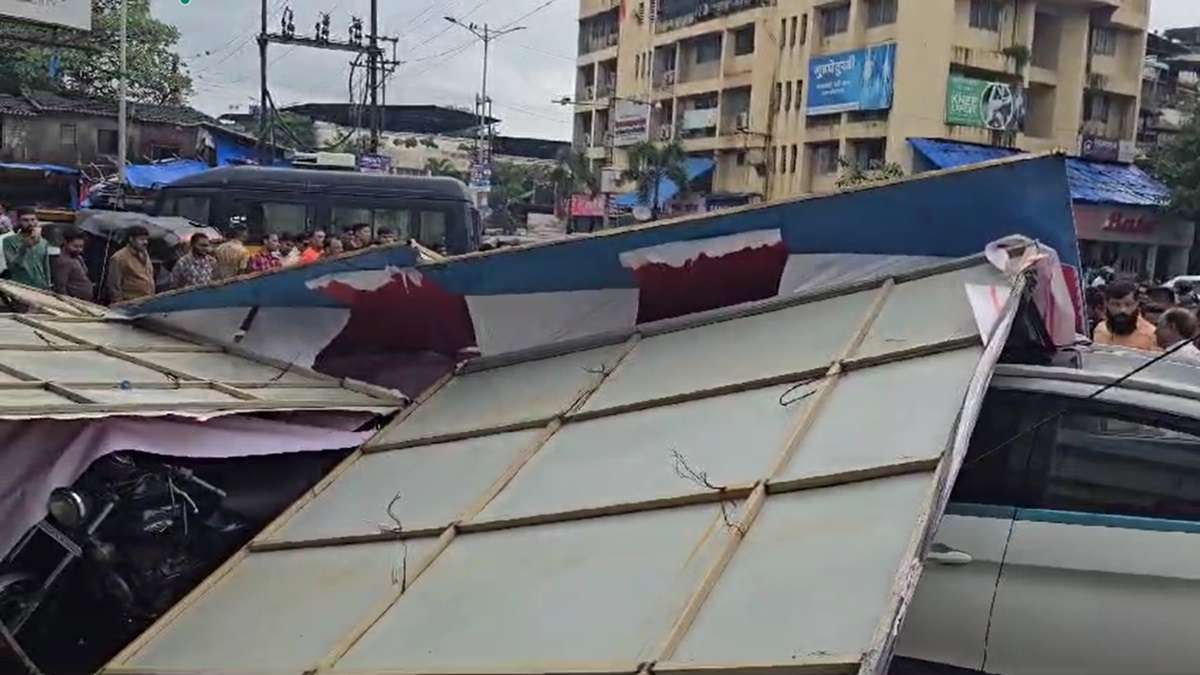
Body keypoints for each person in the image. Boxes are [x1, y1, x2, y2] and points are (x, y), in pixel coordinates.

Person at [1093, 279, 1160, 351]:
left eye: (1128, 304)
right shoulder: (1100, 330)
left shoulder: (1152, 335)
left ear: (1136, 304)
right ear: (1107, 303)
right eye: (1116, 304)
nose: (1122, 310)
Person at [3, 208, 51, 290]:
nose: (30, 223)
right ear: (18, 221)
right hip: (21, 287)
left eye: (33, 219)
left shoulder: (43, 242)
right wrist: (24, 247)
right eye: (25, 220)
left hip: (40, 287)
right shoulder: (9, 241)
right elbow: (12, 267)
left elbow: (46, 267)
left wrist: (48, 286)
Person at [106, 225, 155, 303]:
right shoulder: (118, 258)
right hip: (130, 303)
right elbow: (114, 286)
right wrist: (119, 305)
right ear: (131, 239)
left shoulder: (144, 253)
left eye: (146, 239)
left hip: (148, 301)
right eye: (141, 239)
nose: (145, 242)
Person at [52, 228, 94, 301]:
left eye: (81, 247)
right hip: (74, 302)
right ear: (65, 243)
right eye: (75, 246)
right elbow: (60, 286)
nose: (79, 250)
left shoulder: (77, 257)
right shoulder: (64, 261)